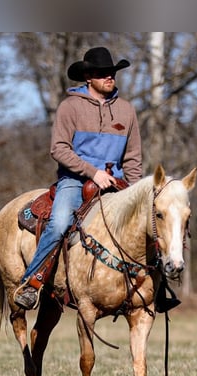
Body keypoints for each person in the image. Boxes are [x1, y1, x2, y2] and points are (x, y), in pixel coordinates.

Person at [14, 46, 143, 310]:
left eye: (112, 73)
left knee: (149, 224)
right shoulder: (69, 107)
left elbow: (132, 158)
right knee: (60, 223)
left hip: (117, 183)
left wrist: (137, 190)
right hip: (75, 181)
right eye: (102, 73)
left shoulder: (127, 111)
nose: (110, 77)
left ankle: (157, 290)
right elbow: (59, 149)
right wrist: (93, 172)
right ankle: (32, 283)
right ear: (88, 77)